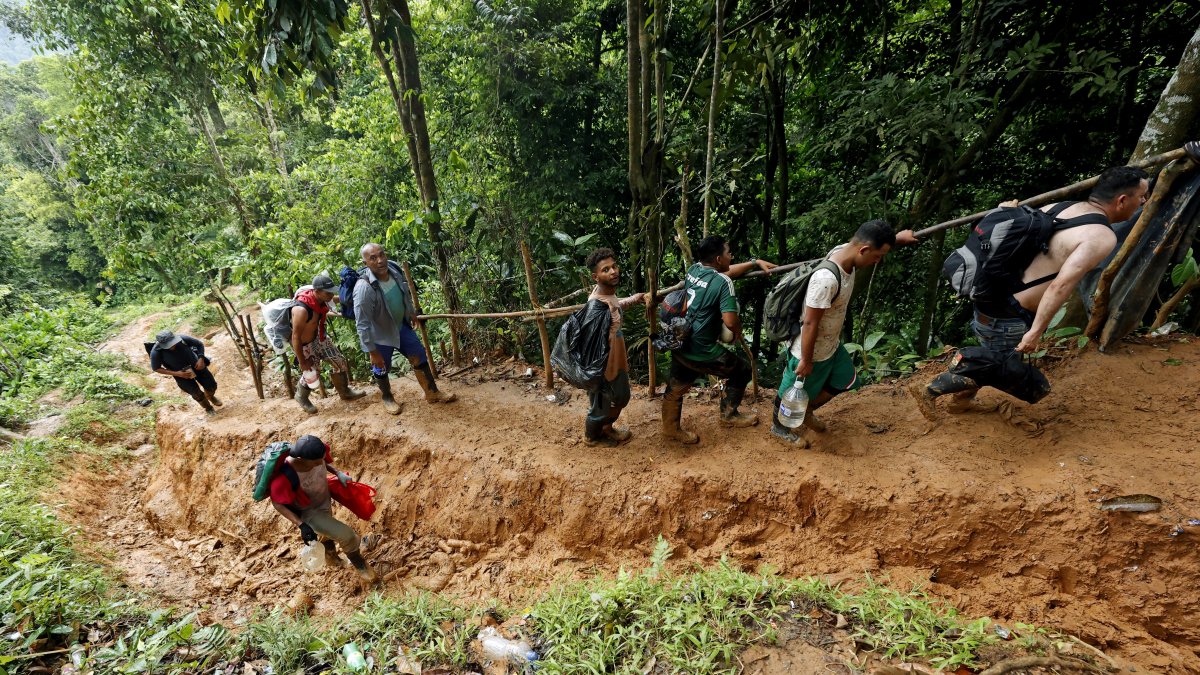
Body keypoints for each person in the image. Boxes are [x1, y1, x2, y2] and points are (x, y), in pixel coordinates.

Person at [913, 165, 1150, 418]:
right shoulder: (1100, 236)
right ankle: (932, 386)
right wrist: (1036, 332)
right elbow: (1060, 286)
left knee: (994, 358)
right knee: (1028, 383)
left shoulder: (1060, 207)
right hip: (1009, 315)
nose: (1145, 201)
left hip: (990, 296)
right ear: (1122, 200)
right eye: (1142, 196)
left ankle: (961, 402)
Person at [771, 220, 897, 447]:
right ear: (864, 250)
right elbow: (809, 323)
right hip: (811, 348)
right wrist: (806, 360)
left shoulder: (844, 251)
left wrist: (901, 238)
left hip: (831, 343)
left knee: (845, 380)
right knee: (793, 386)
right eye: (877, 256)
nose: (877, 261)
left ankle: (805, 411)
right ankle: (779, 427)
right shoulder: (826, 281)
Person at [662, 236, 777, 443]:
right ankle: (729, 414)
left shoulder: (694, 270)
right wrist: (737, 332)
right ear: (717, 259)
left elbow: (726, 272)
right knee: (741, 370)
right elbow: (730, 321)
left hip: (680, 339)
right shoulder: (723, 283)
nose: (731, 256)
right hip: (702, 350)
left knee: (676, 386)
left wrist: (754, 263)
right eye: (728, 253)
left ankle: (670, 428)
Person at [352, 243, 456, 414]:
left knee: (419, 356)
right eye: (373, 258)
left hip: (401, 327)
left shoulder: (394, 271)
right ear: (366, 264)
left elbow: (403, 293)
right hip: (380, 336)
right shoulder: (364, 288)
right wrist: (372, 351)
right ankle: (387, 397)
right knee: (381, 367)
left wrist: (410, 312)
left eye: (381, 255)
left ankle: (432, 392)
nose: (380, 260)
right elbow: (362, 324)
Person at [269, 434, 378, 584]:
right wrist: (301, 525)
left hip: (324, 501)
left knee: (326, 532)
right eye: (317, 460)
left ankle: (331, 558)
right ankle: (360, 565)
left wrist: (337, 473)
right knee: (347, 535)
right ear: (302, 459)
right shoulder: (285, 477)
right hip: (309, 512)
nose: (321, 460)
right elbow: (277, 503)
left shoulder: (316, 457)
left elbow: (324, 463)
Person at [581, 248, 645, 447]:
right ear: (595, 276)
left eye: (614, 266)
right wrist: (602, 373)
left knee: (621, 396)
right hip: (604, 364)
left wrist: (635, 298)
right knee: (601, 403)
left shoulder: (607, 294)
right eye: (605, 269)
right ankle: (591, 436)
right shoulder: (596, 307)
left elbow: (615, 306)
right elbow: (592, 345)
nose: (613, 272)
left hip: (615, 358)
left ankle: (607, 429)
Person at [292, 273, 366, 414]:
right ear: (317, 291)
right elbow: (295, 337)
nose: (331, 295)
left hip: (320, 338)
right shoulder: (301, 309)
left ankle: (345, 392)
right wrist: (302, 360)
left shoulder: (323, 299)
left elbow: (336, 300)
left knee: (339, 361)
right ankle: (301, 396)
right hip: (305, 344)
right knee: (312, 372)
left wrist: (351, 298)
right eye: (328, 292)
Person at [149, 330, 221, 415]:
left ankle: (210, 396)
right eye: (169, 345)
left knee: (211, 386)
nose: (172, 346)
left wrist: (201, 359)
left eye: (173, 343)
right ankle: (208, 408)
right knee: (196, 394)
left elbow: (199, 344)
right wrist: (178, 374)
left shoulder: (183, 339)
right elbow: (156, 368)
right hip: (181, 374)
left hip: (197, 366)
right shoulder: (156, 352)